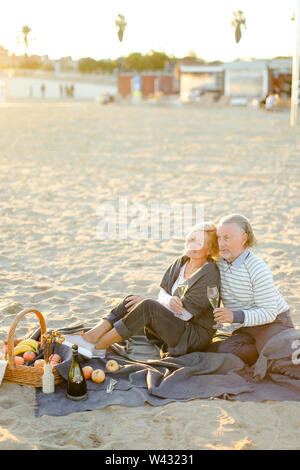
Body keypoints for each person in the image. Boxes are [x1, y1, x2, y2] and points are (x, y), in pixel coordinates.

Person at [65, 222, 220, 357]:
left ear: (209, 251)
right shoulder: (182, 262)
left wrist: (149, 302)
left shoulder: (210, 275)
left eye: (198, 242)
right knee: (132, 300)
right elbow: (163, 294)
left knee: (147, 306)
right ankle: (91, 337)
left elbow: (185, 314)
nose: (191, 243)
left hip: (192, 336)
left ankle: (99, 347)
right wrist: (165, 300)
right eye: (191, 238)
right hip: (173, 326)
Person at [209, 214, 294, 365]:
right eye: (219, 238)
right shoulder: (219, 262)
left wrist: (234, 316)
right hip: (246, 327)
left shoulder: (258, 268)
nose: (221, 243)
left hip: (273, 322)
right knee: (224, 350)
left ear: (244, 238)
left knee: (280, 360)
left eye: (227, 238)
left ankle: (275, 347)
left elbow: (269, 313)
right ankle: (261, 350)